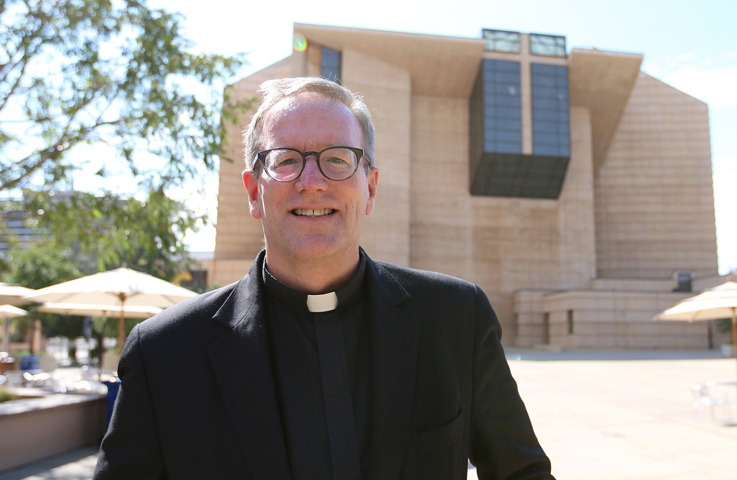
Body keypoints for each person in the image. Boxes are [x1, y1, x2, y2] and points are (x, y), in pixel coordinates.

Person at [93, 77, 554, 480]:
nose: (311, 181)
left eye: (337, 159)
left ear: (369, 188)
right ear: (255, 191)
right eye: (286, 159)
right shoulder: (163, 354)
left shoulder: (456, 320)